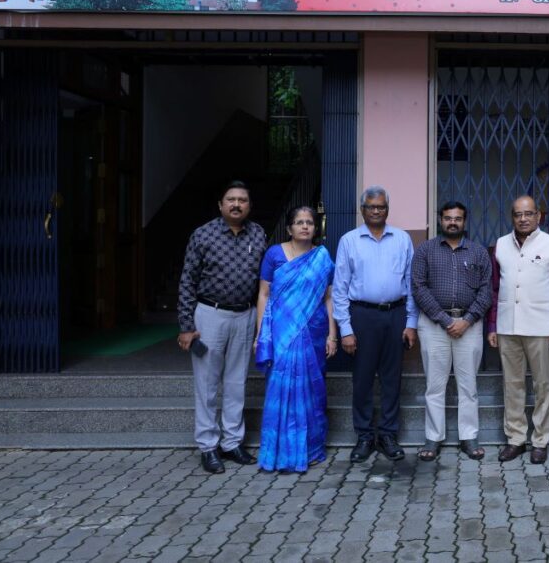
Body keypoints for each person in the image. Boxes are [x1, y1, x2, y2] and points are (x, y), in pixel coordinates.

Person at [176, 181, 266, 474]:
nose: (236, 204)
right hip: (209, 316)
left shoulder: (258, 234)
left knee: (237, 381)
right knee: (207, 383)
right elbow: (187, 281)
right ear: (220, 204)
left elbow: (264, 283)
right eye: (231, 199)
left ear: (249, 206)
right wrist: (186, 326)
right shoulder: (203, 235)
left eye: (242, 200)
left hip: (245, 315)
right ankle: (208, 446)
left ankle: (232, 442)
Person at [333, 185, 418, 463]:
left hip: (395, 315)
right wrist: (345, 329)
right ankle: (365, 436)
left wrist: (411, 322)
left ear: (387, 209)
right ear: (362, 210)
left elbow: (411, 283)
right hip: (362, 316)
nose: (376, 211)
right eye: (371, 207)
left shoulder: (402, 239)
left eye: (381, 206)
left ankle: (388, 435)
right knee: (363, 378)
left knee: (392, 378)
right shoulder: (349, 241)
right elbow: (340, 288)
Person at [487, 195, 549, 464]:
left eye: (528, 214)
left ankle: (540, 440)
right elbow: (494, 289)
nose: (523, 219)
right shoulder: (501, 245)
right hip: (508, 327)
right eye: (518, 214)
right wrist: (492, 325)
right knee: (512, 384)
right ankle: (515, 439)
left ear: (539, 216)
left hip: (541, 328)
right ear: (512, 217)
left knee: (543, 385)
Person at [254, 206, 337, 473]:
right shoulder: (274, 254)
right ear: (289, 228)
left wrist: (333, 334)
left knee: (312, 390)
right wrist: (261, 335)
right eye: (299, 222)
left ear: (315, 227)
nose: (304, 226)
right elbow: (263, 295)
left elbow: (329, 297)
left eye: (309, 222)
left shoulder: (321, 257)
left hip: (314, 332)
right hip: (282, 332)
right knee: (280, 387)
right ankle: (280, 449)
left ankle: (310, 449)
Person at [411, 201, 493, 461]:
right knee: (435, 385)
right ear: (440, 220)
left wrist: (466, 320)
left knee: (468, 386)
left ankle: (469, 437)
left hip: (469, 325)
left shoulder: (479, 252)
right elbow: (418, 287)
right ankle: (433, 438)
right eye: (448, 218)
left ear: (464, 221)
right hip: (434, 325)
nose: (453, 222)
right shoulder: (425, 250)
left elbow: (486, 291)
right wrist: (445, 320)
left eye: (457, 218)